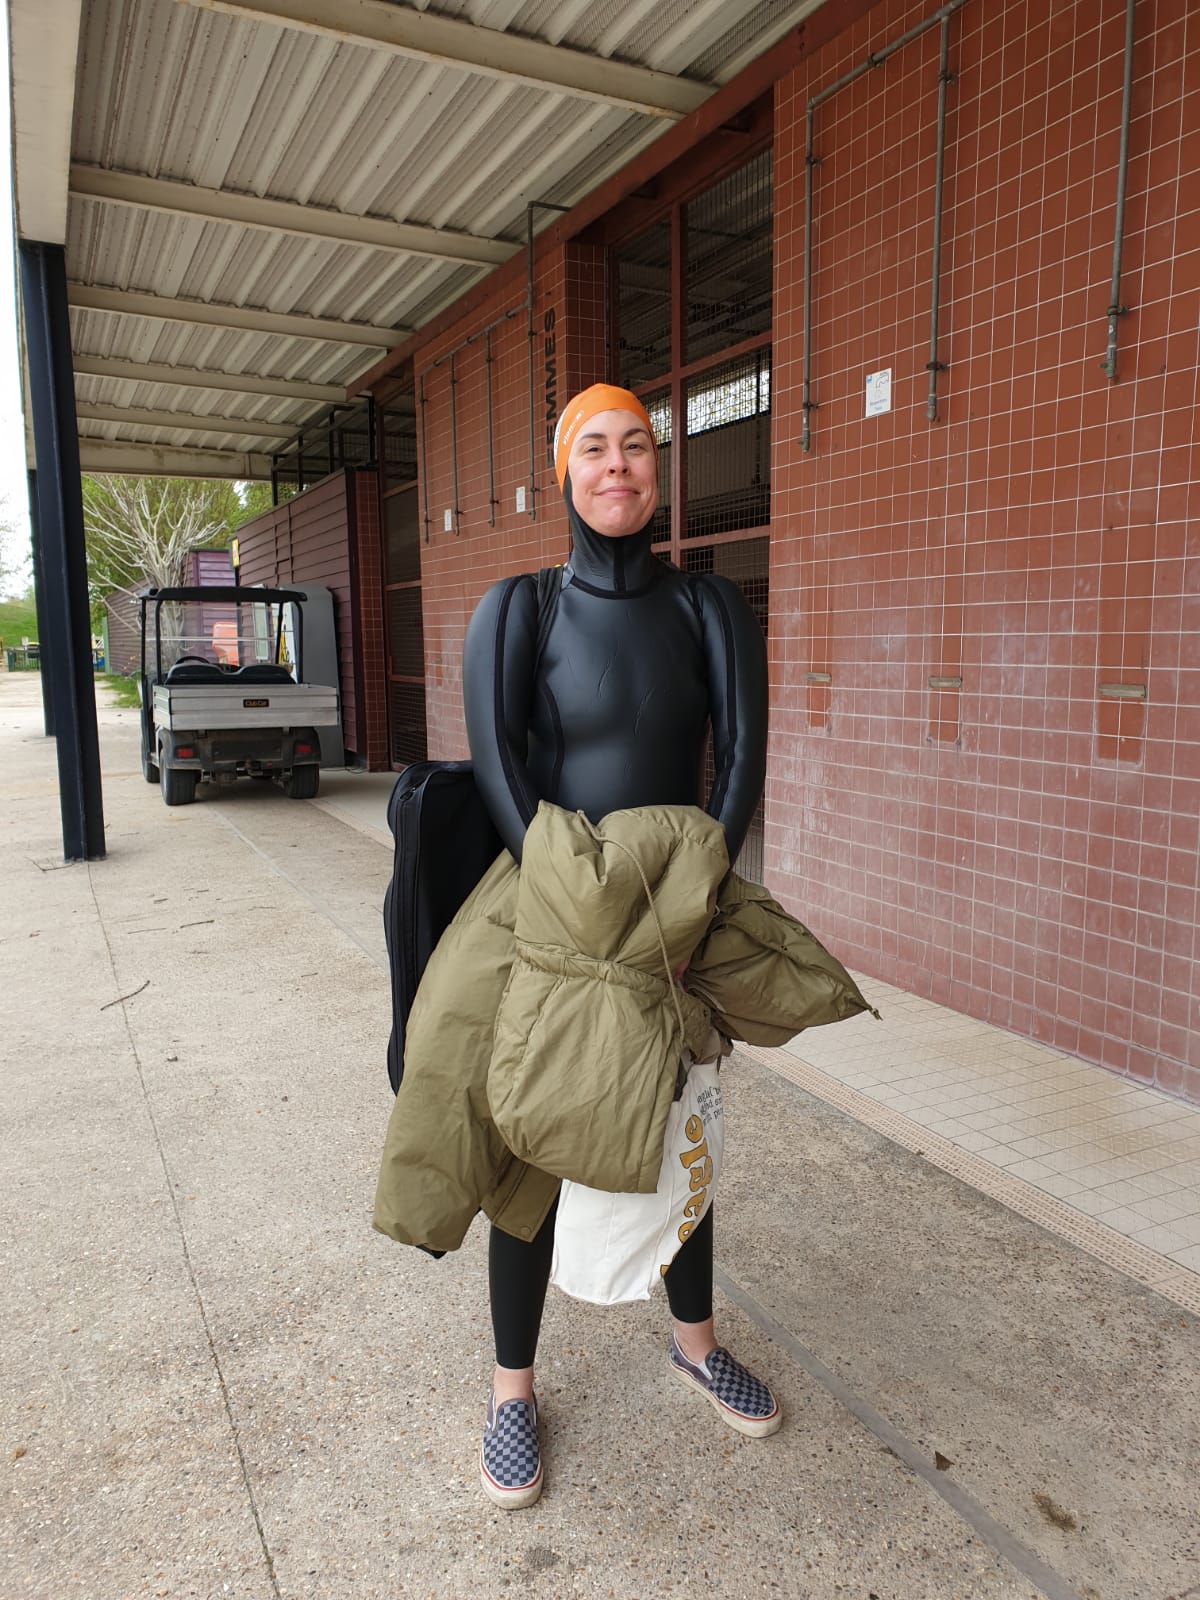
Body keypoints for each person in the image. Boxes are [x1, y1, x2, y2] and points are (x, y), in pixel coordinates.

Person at [461, 383, 779, 1509]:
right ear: (564, 471)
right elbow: (500, 763)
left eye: (636, 446)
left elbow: (737, 762)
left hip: (678, 923)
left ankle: (695, 1343)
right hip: (553, 921)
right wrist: (567, 910)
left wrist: (690, 914)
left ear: (660, 469)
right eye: (592, 448)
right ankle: (511, 1392)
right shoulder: (519, 608)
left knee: (680, 1141)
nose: (616, 466)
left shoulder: (709, 607)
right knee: (533, 1151)